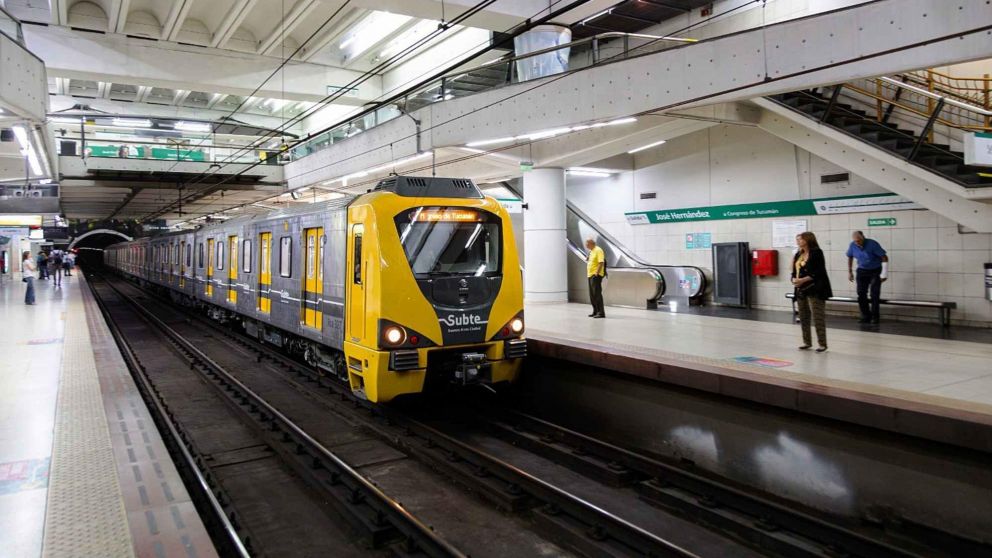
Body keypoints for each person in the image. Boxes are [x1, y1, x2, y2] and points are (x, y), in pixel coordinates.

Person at [792, 232, 832, 352]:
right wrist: (794, 279)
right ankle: (807, 342)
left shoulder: (817, 253)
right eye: (797, 239)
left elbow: (819, 272)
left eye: (800, 239)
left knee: (817, 316)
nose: (798, 241)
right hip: (801, 289)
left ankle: (822, 343)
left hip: (815, 288)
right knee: (803, 317)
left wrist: (803, 279)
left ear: (808, 240)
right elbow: (794, 270)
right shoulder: (798, 254)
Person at [846, 230, 888, 324]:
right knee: (861, 293)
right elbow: (850, 257)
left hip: (875, 271)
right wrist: (850, 272)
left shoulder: (872, 244)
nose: (857, 243)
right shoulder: (852, 245)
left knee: (874, 294)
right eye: (855, 241)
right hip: (862, 271)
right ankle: (865, 315)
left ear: (863, 238)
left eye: (859, 241)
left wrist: (884, 274)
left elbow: (884, 257)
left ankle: (875, 317)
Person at [585, 238, 607, 318]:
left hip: (595, 275)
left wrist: (596, 273)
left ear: (591, 243)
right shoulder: (591, 251)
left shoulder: (598, 250)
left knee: (597, 294)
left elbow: (601, 262)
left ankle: (601, 313)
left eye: (587, 244)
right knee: (592, 295)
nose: (586, 245)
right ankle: (595, 311)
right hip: (590, 275)